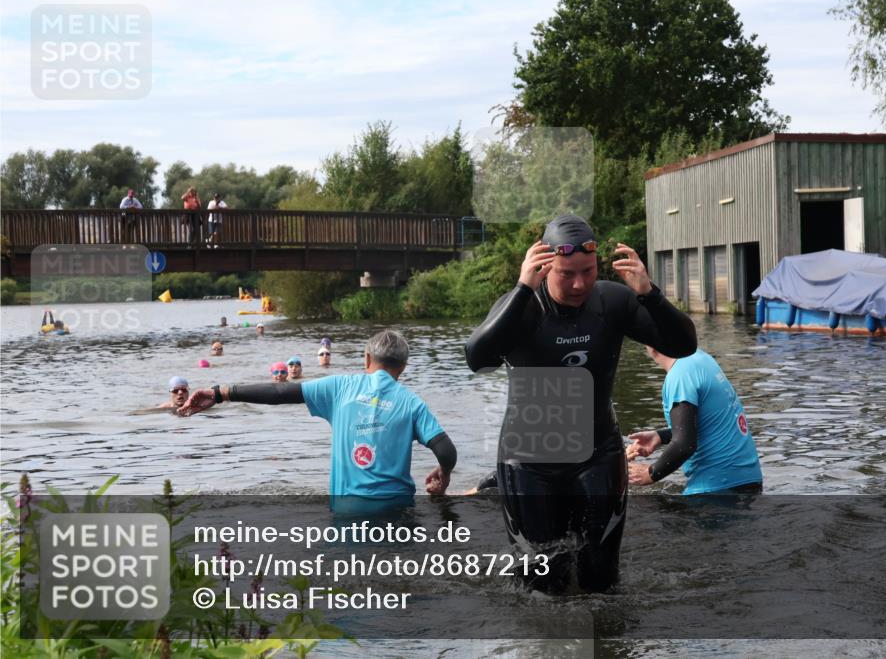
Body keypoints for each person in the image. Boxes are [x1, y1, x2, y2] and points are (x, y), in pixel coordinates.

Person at [464, 214, 697, 594]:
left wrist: (649, 293)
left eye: (587, 272)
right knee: (542, 585)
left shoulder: (612, 301)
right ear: (543, 267)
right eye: (566, 274)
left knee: (602, 580)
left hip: (597, 454)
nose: (579, 284)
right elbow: (476, 357)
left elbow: (685, 345)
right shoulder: (522, 306)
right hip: (528, 462)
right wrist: (523, 288)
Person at [179, 330, 457, 513]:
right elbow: (446, 450)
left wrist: (219, 393)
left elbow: (279, 393)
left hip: (349, 510)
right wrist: (443, 475)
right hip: (398, 509)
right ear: (403, 367)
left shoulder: (339, 387)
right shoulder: (411, 402)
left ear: (367, 358)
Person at [626, 347, 763, 494]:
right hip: (748, 480)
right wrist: (659, 437)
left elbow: (684, 445)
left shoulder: (680, 375)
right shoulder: (698, 357)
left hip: (717, 489)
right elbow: (706, 424)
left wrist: (649, 474)